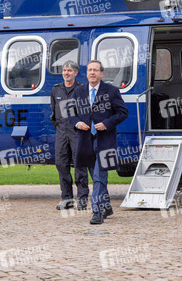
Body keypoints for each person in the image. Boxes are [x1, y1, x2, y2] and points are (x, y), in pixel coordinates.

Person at [69, 60, 128, 224]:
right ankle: (106, 206)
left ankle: (97, 211)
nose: (92, 73)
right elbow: (69, 113)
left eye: (95, 70)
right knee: (96, 176)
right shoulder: (78, 91)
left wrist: (107, 123)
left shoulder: (112, 91)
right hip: (85, 141)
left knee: (99, 175)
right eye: (89, 70)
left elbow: (123, 112)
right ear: (86, 73)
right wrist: (76, 122)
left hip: (105, 141)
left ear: (102, 73)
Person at [50, 60, 89, 211]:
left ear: (76, 73)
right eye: (64, 70)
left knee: (80, 165)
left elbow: (86, 112)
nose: (66, 73)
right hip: (61, 132)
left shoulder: (81, 89)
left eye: (69, 71)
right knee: (61, 164)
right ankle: (66, 199)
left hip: (77, 132)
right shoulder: (56, 90)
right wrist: (60, 128)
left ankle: (83, 199)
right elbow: (54, 113)